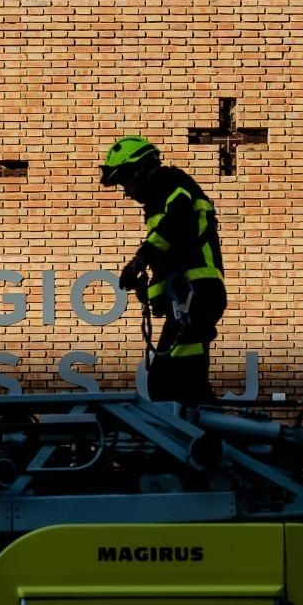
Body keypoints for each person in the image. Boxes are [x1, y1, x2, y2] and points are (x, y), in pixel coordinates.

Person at [101, 136, 228, 405]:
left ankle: (213, 441)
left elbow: (176, 225)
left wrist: (139, 260)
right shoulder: (161, 198)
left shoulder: (173, 185)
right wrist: (152, 293)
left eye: (124, 181)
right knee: (173, 385)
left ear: (138, 169)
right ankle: (209, 435)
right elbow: (173, 254)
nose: (126, 191)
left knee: (172, 384)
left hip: (198, 295)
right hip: (188, 300)